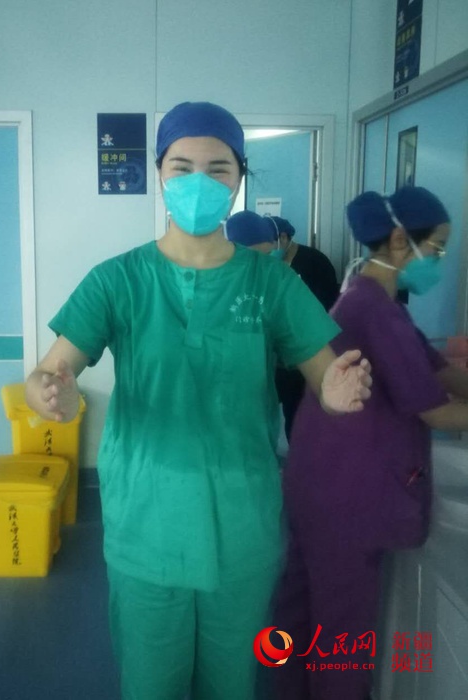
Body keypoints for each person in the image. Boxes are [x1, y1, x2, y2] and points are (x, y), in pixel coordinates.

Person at [25, 101, 372, 700]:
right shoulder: (117, 280)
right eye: (182, 167)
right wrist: (47, 391)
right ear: (159, 173)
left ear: (239, 179)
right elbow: (51, 370)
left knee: (231, 683)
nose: (199, 183)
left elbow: (325, 373)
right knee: (150, 683)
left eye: (218, 169)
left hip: (242, 524)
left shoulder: (270, 282)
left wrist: (336, 393)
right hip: (147, 524)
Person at [273, 186, 468, 700]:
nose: (441, 260)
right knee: (341, 634)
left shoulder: (369, 300)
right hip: (348, 498)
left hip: (320, 485)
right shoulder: (376, 312)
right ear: (401, 241)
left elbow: (439, 371)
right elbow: (434, 407)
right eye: (439, 248)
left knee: (301, 611)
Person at [271, 216, 340, 441]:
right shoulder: (270, 266)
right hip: (276, 359)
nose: (268, 251)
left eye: (271, 243)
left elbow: (324, 309)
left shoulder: (314, 262)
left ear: (283, 237)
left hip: (302, 356)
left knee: (297, 417)